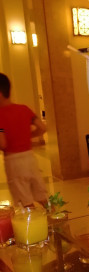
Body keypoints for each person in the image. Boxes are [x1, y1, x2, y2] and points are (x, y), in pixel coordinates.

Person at [0, 73, 49, 207]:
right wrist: (27, 136)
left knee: (24, 200)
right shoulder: (24, 109)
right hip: (30, 159)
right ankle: (54, 216)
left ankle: (30, 219)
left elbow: (3, 143)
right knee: (42, 195)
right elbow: (43, 128)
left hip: (13, 162)